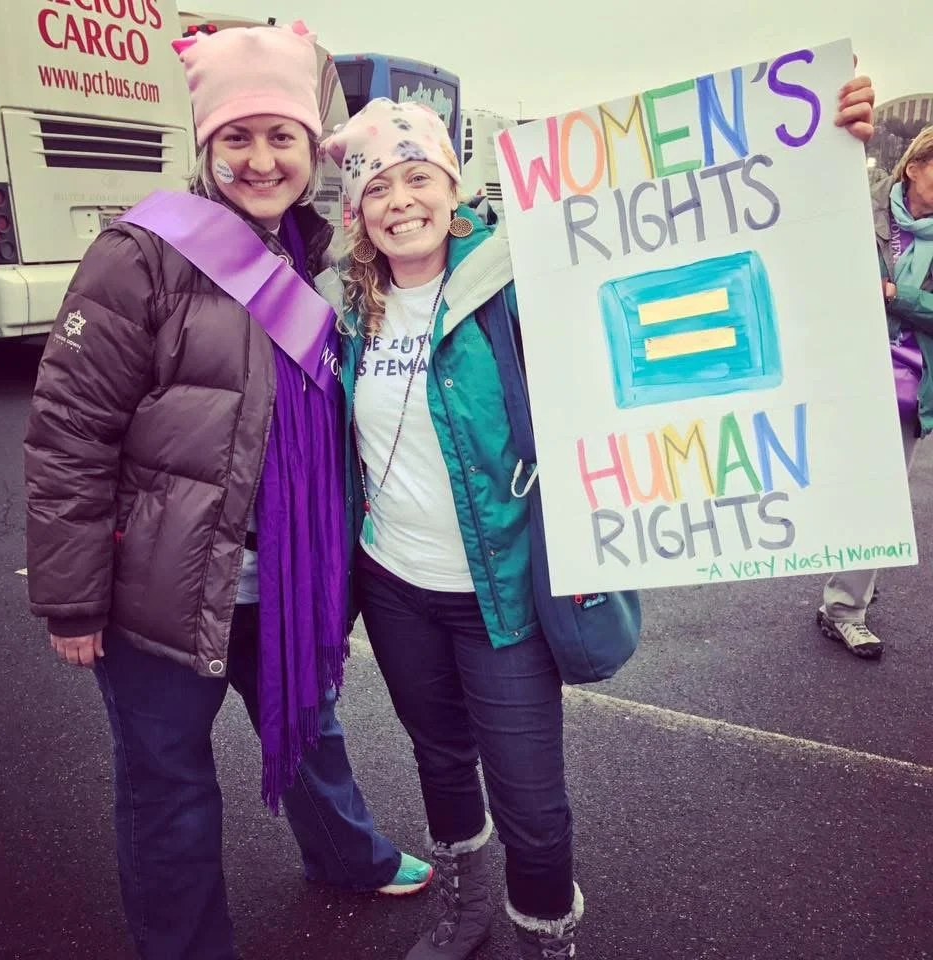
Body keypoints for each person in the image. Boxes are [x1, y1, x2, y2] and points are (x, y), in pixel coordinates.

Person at [322, 76, 877, 960]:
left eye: (417, 176)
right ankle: (466, 910)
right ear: (356, 211)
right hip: (396, 589)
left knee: (533, 806)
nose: (399, 201)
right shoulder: (347, 306)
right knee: (439, 762)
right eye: (376, 187)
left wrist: (827, 152)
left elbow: (699, 243)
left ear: (455, 186)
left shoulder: (522, 276)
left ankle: (547, 937)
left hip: (502, 597)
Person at [23, 24, 430, 960]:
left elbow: (457, 247)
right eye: (236, 139)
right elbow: (69, 431)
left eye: (281, 135)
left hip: (287, 577)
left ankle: (347, 857)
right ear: (205, 148)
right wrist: (72, 597)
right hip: (161, 589)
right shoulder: (140, 254)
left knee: (313, 727)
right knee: (166, 783)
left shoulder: (324, 255)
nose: (260, 159)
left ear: (310, 146)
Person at [818, 124, 933, 658]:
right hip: (846, 372)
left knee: (877, 496)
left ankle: (845, 608)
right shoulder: (863, 213)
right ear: (914, 168)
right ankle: (852, 578)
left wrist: (892, 292)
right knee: (830, 486)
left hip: (908, 388)